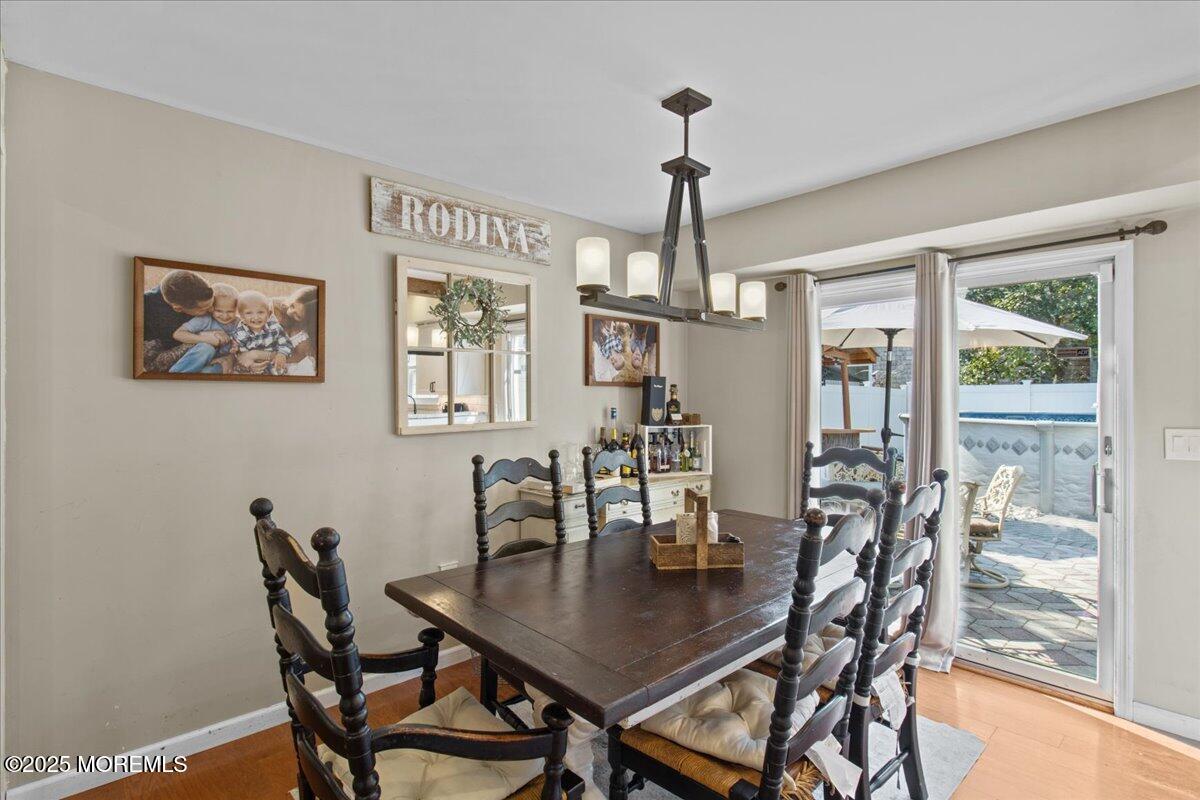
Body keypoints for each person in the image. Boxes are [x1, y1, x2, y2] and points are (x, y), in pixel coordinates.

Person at [142, 269, 214, 371]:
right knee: (206, 347)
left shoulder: (200, 294)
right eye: (204, 309)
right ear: (178, 308)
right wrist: (202, 337)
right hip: (157, 358)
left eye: (212, 304)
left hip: (183, 348)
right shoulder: (143, 306)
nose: (212, 310)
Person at [168, 283, 239, 374]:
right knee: (206, 347)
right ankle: (175, 375)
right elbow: (178, 334)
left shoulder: (238, 324)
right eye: (219, 311)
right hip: (198, 358)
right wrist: (206, 339)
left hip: (219, 361)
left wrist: (231, 357)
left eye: (230, 311)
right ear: (210, 308)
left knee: (213, 370)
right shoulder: (205, 319)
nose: (225, 316)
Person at [231, 290, 294, 375]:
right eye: (249, 313)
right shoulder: (240, 333)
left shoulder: (275, 328)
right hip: (251, 367)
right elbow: (240, 354)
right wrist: (250, 364)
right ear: (242, 317)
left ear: (268, 314)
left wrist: (282, 353)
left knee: (280, 373)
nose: (256, 317)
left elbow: (286, 343)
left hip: (273, 364)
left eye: (260, 312)